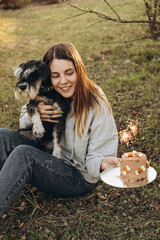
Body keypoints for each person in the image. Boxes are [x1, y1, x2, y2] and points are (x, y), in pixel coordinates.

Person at [0, 42, 121, 217]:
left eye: (69, 73)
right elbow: (23, 121)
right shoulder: (48, 91)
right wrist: (35, 114)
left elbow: (96, 157)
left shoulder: (96, 102)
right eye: (55, 76)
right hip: (49, 154)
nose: (63, 81)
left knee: (23, 154)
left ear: (79, 70)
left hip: (77, 175)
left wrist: (103, 163)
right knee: (3, 135)